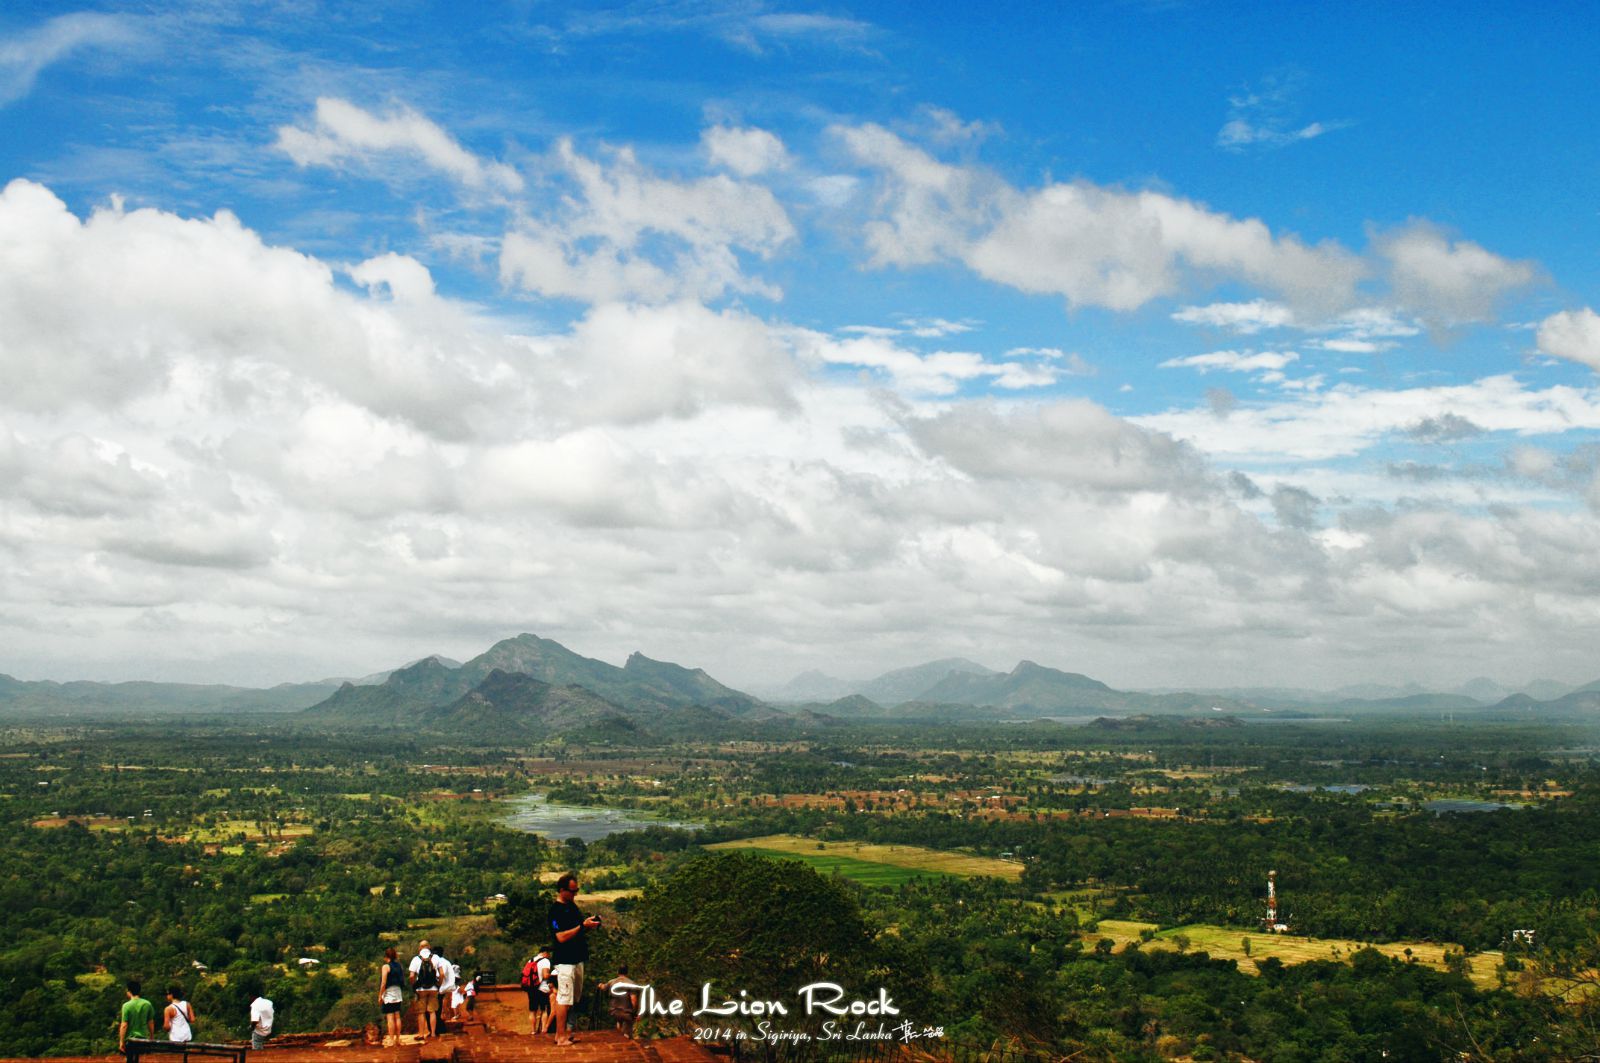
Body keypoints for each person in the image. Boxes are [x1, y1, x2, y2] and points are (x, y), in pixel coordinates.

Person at [548, 872, 600, 1047]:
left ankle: (566, 1033)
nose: (575, 894)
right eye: (572, 891)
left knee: (574, 998)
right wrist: (581, 927)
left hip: (578, 958)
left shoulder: (572, 906)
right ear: (562, 890)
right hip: (565, 961)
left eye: (576, 890)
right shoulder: (555, 911)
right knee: (564, 997)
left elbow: (578, 930)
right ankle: (560, 1036)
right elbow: (561, 937)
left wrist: (588, 926)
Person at [407, 939, 445, 1039]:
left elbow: (411, 976)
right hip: (433, 988)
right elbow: (441, 974)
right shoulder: (436, 957)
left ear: (420, 948)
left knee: (421, 1012)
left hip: (420, 989)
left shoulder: (416, 959)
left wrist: (413, 986)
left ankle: (421, 1034)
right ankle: (432, 1033)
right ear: (429, 947)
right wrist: (439, 984)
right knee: (432, 1011)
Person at [598, 966, 639, 1040]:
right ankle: (625, 1040)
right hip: (626, 1012)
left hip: (614, 1011)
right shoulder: (631, 983)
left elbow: (604, 987)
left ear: (618, 972)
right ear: (627, 973)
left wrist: (600, 985)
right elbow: (634, 1000)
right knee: (627, 1033)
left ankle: (619, 1037)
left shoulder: (611, 982)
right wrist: (635, 1012)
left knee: (619, 1022)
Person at [378, 946, 405, 1047]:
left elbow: (383, 982)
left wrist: (380, 995)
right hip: (398, 991)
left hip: (389, 992)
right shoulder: (399, 966)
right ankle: (398, 1038)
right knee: (397, 1016)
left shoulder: (386, 967)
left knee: (390, 1017)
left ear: (386, 957)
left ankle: (391, 1039)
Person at [522, 947, 553, 1035]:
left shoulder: (531, 960)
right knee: (543, 1010)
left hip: (531, 988)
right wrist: (553, 975)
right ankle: (543, 1030)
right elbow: (545, 975)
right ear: (545, 953)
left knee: (532, 1011)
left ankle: (533, 1030)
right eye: (549, 953)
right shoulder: (545, 961)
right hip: (542, 988)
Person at [118, 980, 156, 1053]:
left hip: (131, 1040)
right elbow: (150, 1022)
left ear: (129, 991)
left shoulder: (126, 1006)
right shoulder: (147, 1004)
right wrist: (151, 1037)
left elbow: (124, 1025)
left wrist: (121, 1042)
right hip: (144, 1038)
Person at [248, 986, 274, 1051]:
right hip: (269, 1029)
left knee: (257, 1048)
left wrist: (251, 1028)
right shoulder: (268, 1002)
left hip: (259, 1031)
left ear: (252, 997)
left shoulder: (255, 1005)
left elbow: (254, 1021)